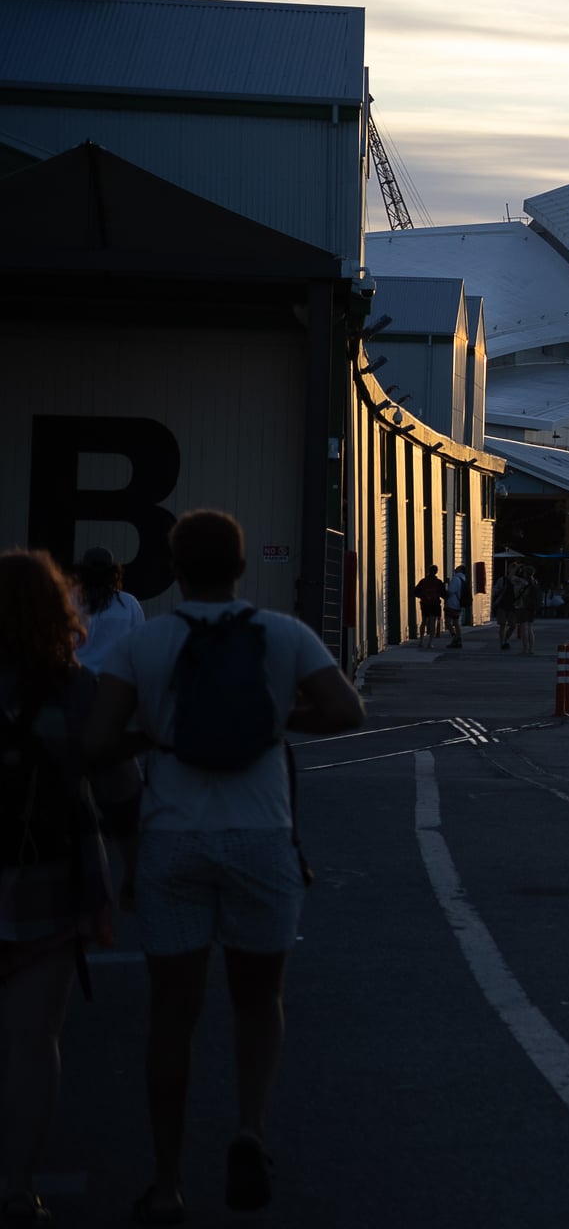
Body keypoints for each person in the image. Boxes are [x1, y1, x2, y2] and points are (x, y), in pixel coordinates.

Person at [87, 510, 365, 1223]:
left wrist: (158, 733)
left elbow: (95, 741)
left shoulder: (146, 642)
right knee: (257, 997)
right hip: (261, 837)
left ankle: (168, 1179)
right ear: (241, 567)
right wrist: (272, 721)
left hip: (173, 839)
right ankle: (249, 1129)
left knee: (172, 1013)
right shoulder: (283, 635)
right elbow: (346, 711)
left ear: (175, 569)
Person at [0, 551, 138, 1225]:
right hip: (47, 886)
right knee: (32, 1043)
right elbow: (116, 793)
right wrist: (134, 868)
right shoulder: (77, 693)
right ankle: (16, 1186)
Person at [73, 548, 146, 673]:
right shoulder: (128, 604)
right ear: (113, 573)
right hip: (115, 680)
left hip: (78, 677)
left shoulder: (68, 601)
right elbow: (141, 646)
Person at [408, 569, 444, 649]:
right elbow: (443, 593)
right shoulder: (438, 582)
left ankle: (421, 640)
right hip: (435, 604)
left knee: (424, 621)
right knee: (432, 623)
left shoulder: (423, 581)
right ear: (436, 572)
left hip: (425, 604)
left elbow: (415, 592)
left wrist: (423, 596)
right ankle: (430, 642)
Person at [445, 565, 468, 650]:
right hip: (458, 604)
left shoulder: (455, 579)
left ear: (461, 570)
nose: (456, 568)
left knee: (448, 622)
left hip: (452, 604)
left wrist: (445, 595)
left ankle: (454, 638)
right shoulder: (463, 579)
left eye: (458, 568)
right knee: (456, 622)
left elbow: (450, 591)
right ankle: (459, 638)